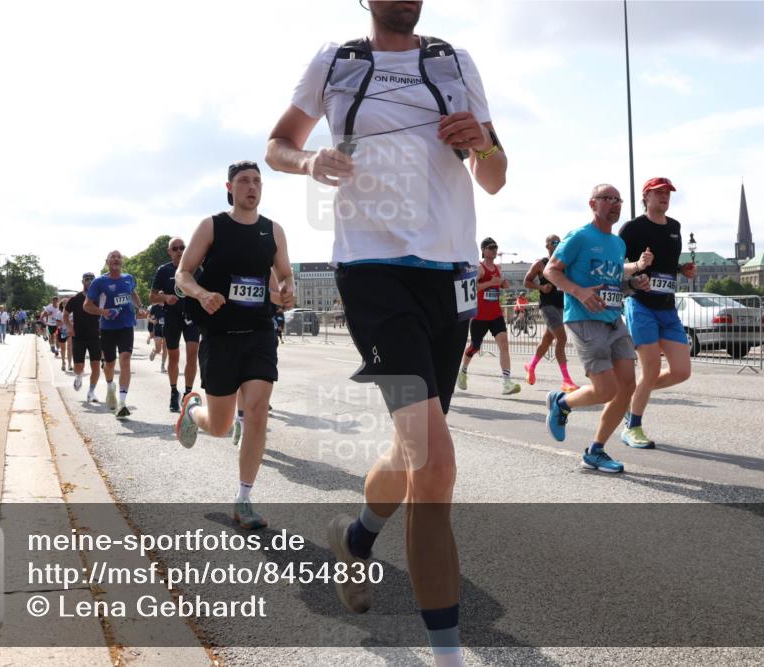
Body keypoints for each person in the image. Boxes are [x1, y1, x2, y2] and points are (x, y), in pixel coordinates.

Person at [265, 1, 507, 662]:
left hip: (449, 275)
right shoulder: (338, 61)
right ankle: (448, 654)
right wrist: (308, 162)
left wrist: (479, 143)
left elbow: (496, 173)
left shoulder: (453, 62)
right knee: (435, 459)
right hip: (371, 272)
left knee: (412, 452)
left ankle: (358, 536)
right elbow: (277, 144)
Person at [174, 161, 295, 530]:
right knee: (221, 426)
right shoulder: (213, 226)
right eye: (244, 181)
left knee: (257, 412)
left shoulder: (272, 230)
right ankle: (192, 411)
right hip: (220, 336)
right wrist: (202, 292)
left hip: (259, 333)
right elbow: (183, 274)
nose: (252, 186)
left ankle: (244, 498)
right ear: (230, 187)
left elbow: (285, 273)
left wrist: (288, 288)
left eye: (257, 181)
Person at [542, 184, 652, 475]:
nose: (615, 205)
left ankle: (596, 451)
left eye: (618, 200)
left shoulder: (617, 244)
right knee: (605, 390)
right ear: (593, 204)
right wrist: (579, 292)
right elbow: (551, 271)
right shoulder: (579, 236)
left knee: (626, 386)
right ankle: (562, 402)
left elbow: (615, 283)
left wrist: (633, 284)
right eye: (608, 199)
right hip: (583, 319)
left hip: (614, 320)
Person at [618, 177, 696, 448]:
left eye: (667, 193)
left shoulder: (675, 227)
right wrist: (637, 266)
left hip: (667, 307)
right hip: (640, 304)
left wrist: (682, 270)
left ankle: (631, 398)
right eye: (658, 193)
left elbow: (666, 264)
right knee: (650, 367)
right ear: (646, 197)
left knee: (681, 371)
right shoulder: (632, 228)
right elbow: (615, 266)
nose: (664, 197)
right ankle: (632, 426)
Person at [456, 238, 520, 395]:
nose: (494, 250)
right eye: (491, 248)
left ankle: (506, 383)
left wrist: (503, 285)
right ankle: (463, 371)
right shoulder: (480, 268)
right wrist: (490, 283)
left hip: (496, 315)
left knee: (504, 345)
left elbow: (498, 285)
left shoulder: (498, 268)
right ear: (483, 250)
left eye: (496, 247)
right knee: (474, 347)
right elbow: (473, 286)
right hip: (480, 317)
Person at [84, 250, 142, 419]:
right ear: (107, 261)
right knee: (109, 365)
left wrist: (140, 306)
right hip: (108, 328)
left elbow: (133, 293)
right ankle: (110, 387)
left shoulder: (128, 278)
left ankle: (122, 403)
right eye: (113, 257)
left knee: (125, 360)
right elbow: (87, 305)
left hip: (126, 326)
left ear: (121, 262)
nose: (116, 259)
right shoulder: (99, 282)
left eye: (119, 257)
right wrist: (103, 311)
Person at [150, 237, 201, 413]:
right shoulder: (163, 271)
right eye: (175, 248)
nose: (179, 251)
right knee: (173, 356)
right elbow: (152, 297)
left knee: (193, 353)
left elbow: (203, 290)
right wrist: (165, 298)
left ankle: (188, 393)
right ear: (169, 251)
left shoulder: (195, 269)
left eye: (182, 248)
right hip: (171, 317)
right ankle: (173, 391)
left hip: (192, 317)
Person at [523, 235, 579, 392]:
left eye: (559, 242)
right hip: (547, 306)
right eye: (554, 242)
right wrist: (540, 288)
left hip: (562, 306)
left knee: (547, 340)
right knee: (562, 338)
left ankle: (531, 365)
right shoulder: (541, 264)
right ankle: (566, 380)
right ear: (547, 245)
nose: (557, 244)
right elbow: (526, 281)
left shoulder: (564, 264)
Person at [65, 272, 103, 401]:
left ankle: (91, 392)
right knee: (78, 367)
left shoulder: (99, 298)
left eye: (92, 279)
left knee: (96, 365)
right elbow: (65, 315)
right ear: (82, 282)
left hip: (95, 336)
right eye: (87, 279)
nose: (90, 281)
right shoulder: (75, 299)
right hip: (79, 337)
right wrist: (70, 327)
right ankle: (79, 376)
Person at [148, 302, 168, 370]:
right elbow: (148, 317)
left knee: (165, 349)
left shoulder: (168, 305)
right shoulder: (154, 307)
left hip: (167, 330)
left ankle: (162, 365)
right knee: (158, 349)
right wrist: (152, 321)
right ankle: (154, 351)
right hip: (158, 330)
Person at [56, 299, 70, 370]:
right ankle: (63, 362)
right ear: (61, 304)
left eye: (67, 303)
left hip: (70, 331)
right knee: (63, 348)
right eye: (64, 303)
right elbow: (57, 323)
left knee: (70, 347)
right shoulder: (59, 313)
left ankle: (70, 364)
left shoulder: (72, 312)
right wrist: (64, 322)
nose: (65, 304)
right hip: (63, 331)